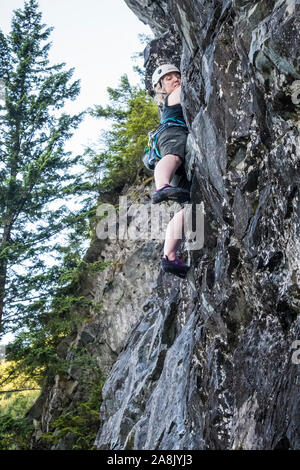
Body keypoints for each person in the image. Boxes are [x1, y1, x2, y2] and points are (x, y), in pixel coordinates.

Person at [150, 63, 190, 278]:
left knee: (191, 209)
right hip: (173, 133)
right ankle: (162, 186)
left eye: (177, 75)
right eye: (168, 78)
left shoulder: (172, 94)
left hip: (180, 155)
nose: (175, 79)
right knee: (173, 155)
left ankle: (170, 255)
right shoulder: (174, 96)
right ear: (161, 87)